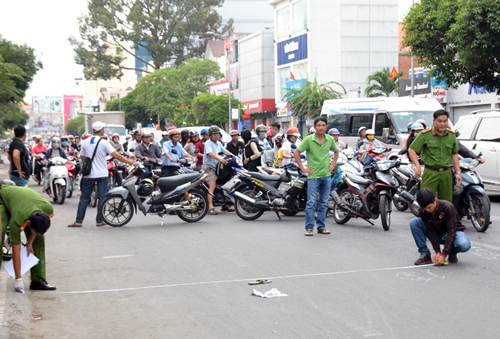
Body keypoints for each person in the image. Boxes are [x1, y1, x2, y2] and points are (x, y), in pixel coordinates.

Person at [68, 121, 135, 227]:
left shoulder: (85, 142)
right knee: (102, 198)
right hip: (102, 174)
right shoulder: (104, 142)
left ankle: (78, 221)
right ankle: (99, 221)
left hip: (89, 175)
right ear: (101, 130)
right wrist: (129, 162)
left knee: (84, 198)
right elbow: (116, 155)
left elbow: (83, 157)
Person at [0, 184, 56, 292]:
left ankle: (38, 281)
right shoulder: (18, 220)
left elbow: (36, 230)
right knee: (0, 233)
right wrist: (18, 279)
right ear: (29, 224)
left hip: (23, 203)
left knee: (38, 241)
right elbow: (16, 251)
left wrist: (30, 243)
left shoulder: (47, 208)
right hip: (3, 198)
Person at [294, 117, 339, 236]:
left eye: (323, 125)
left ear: (326, 127)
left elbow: (336, 151)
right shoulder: (309, 140)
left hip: (326, 175)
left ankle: (321, 227)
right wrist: (303, 168)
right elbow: (296, 153)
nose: (320, 127)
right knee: (311, 203)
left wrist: (333, 164)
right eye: (318, 125)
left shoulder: (330, 139)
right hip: (313, 176)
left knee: (324, 203)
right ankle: (309, 228)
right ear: (314, 127)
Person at [409, 109, 461, 202]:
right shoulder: (425, 135)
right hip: (430, 173)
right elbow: (412, 149)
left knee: (446, 202)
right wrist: (417, 166)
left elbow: (454, 154)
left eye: (445, 121)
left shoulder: (451, 135)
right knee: (426, 200)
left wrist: (458, 172)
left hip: (446, 174)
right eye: (439, 121)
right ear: (434, 121)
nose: (442, 124)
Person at [410, 188, 471, 265]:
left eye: (429, 207)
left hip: (451, 233)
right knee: (414, 222)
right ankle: (425, 254)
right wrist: (438, 252)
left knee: (464, 244)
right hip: (437, 233)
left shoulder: (447, 207)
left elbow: (451, 231)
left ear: (435, 200)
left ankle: (452, 252)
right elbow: (430, 231)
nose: (428, 210)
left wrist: (444, 254)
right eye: (425, 208)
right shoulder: (423, 211)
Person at [203, 126, 234, 215]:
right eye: (214, 134)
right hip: (208, 168)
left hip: (218, 169)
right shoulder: (208, 143)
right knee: (212, 186)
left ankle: (224, 204)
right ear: (210, 135)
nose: (216, 136)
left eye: (217, 134)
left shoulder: (219, 144)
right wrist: (220, 159)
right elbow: (210, 154)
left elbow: (226, 152)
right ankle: (210, 207)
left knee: (224, 185)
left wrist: (235, 157)